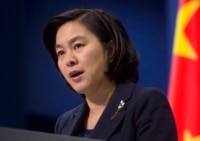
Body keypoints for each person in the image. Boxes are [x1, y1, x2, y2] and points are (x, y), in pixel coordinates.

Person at [43, 8, 177, 141]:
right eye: (61, 52)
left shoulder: (146, 103)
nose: (69, 60)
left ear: (110, 50)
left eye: (78, 46)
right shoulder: (64, 123)